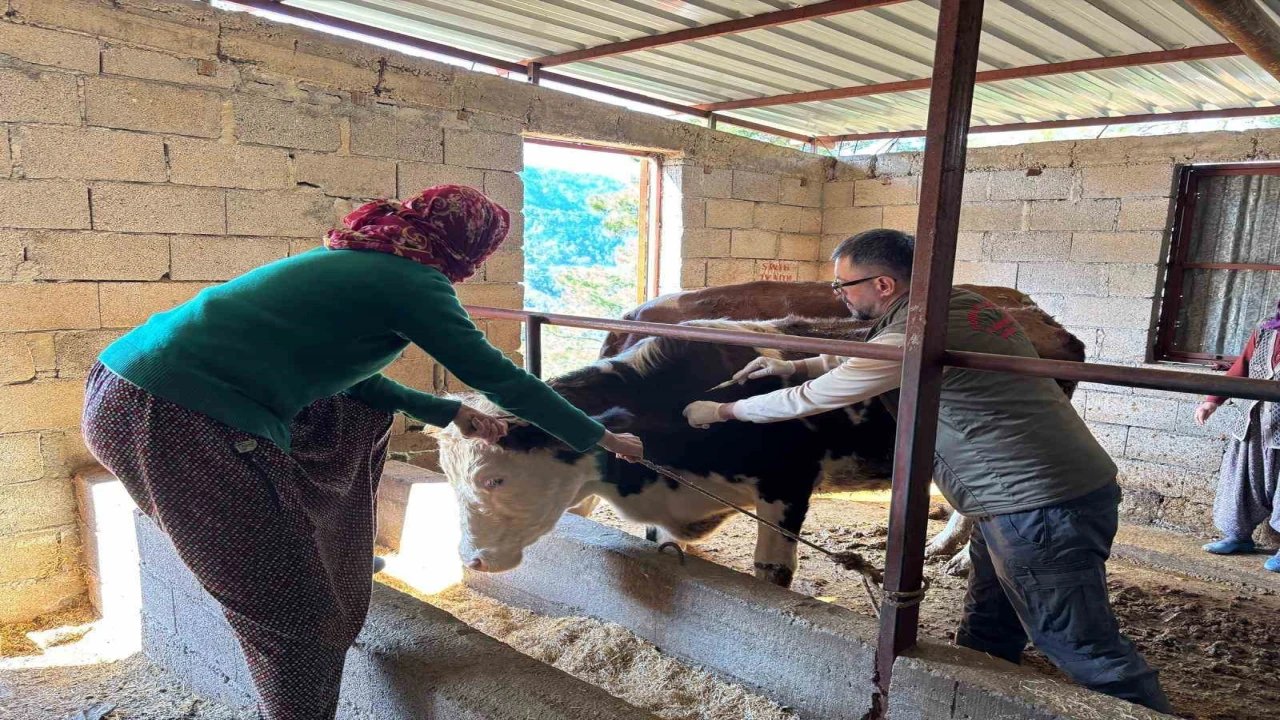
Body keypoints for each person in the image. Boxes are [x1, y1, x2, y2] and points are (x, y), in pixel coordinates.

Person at [81, 185, 644, 720]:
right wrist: (599, 437)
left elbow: (340, 379)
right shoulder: (413, 281)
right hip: (176, 417)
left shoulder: (358, 259)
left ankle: (324, 549)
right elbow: (501, 379)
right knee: (297, 617)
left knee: (351, 419)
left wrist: (446, 411)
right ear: (470, 250)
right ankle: (299, 612)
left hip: (124, 391)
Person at [681, 229, 1172, 713]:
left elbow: (818, 398)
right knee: (989, 621)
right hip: (1019, 497)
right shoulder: (957, 305)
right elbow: (885, 354)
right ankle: (978, 703)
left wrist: (724, 412)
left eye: (843, 285)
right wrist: (794, 365)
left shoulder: (917, 326)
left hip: (1036, 503)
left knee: (1079, 644)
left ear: (883, 285)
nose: (839, 295)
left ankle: (1140, 709)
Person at [1195, 300, 1280, 572]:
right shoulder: (1265, 330)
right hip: (1253, 422)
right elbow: (1241, 367)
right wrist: (1212, 400)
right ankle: (1239, 536)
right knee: (1241, 481)